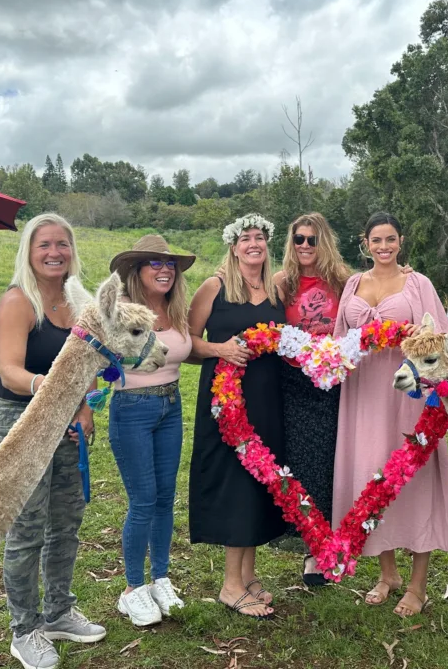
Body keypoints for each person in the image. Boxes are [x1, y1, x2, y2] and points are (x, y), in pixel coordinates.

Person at [0, 213, 104, 669]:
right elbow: (10, 372)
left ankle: (58, 612)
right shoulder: (19, 302)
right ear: (29, 254)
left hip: (65, 419)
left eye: (63, 244)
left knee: (66, 519)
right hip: (20, 421)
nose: (55, 252)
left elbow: (87, 368)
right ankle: (25, 630)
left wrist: (82, 406)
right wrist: (54, 392)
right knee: (26, 529)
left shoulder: (80, 303)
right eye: (44, 245)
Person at [332, 211, 448, 617]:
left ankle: (418, 585)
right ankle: (388, 573)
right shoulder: (353, 283)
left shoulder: (417, 284)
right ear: (365, 242)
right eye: (376, 240)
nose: (383, 247)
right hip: (364, 392)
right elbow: (340, 341)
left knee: (413, 479)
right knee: (371, 474)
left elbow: (438, 339)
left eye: (390, 239)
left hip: (407, 393)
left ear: (400, 241)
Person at [187, 213, 287, 619]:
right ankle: (230, 585)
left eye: (259, 237)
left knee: (260, 482)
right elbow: (187, 343)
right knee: (236, 486)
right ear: (233, 246)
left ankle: (248, 574)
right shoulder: (214, 287)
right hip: (226, 404)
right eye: (245, 238)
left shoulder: (278, 287)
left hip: (268, 399)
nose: (253, 244)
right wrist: (220, 350)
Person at [107, 234, 196, 626]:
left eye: (169, 265)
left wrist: (226, 348)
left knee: (164, 497)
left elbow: (188, 351)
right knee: (143, 499)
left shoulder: (175, 310)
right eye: (154, 264)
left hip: (170, 406)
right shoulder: (122, 311)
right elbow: (94, 354)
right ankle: (132, 589)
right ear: (136, 271)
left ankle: (160, 577)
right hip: (132, 408)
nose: (164, 270)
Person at [273, 212, 351, 587]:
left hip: (331, 382)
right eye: (299, 239)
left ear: (324, 242)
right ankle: (310, 547)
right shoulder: (281, 283)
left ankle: (326, 547)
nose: (305, 246)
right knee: (300, 464)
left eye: (312, 239)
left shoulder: (344, 280)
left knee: (327, 462)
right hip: (291, 380)